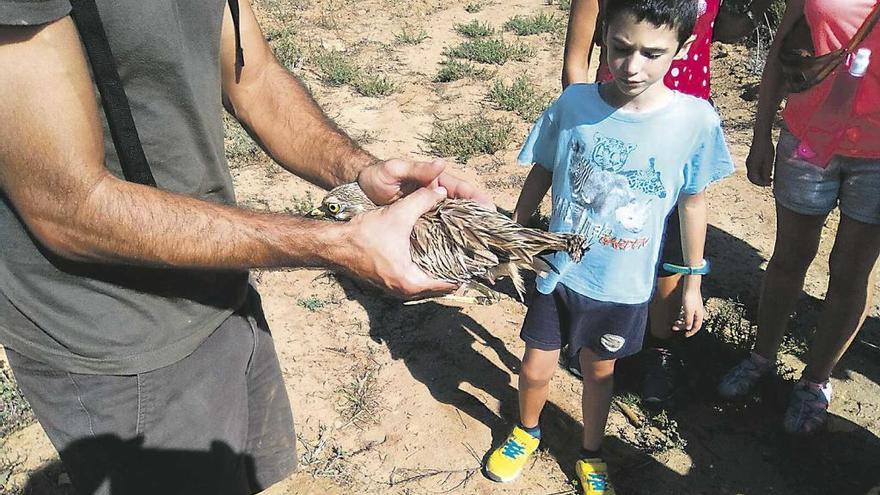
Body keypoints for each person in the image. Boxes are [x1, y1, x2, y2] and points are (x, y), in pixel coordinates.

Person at [0, 1, 490, 494]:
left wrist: (359, 175)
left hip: (222, 285)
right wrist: (335, 243)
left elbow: (253, 77)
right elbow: (66, 205)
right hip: (115, 337)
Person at [482, 0, 734, 492]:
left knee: (599, 375)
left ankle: (591, 451)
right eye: (620, 48)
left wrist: (691, 284)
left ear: (682, 49)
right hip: (557, 272)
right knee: (535, 367)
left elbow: (693, 203)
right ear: (602, 37)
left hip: (620, 286)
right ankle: (526, 431)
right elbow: (544, 168)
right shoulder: (574, 104)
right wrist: (513, 233)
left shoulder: (695, 121)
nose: (633, 66)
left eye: (652, 53)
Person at [561, 0, 772, 408]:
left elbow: (716, 31)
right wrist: (584, 132)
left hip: (678, 133)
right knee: (609, 236)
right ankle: (594, 332)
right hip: (614, 129)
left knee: (670, 244)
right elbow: (576, 62)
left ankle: (658, 348)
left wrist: (756, 9)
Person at [718, 0, 880, 434]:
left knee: (850, 274)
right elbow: (777, 53)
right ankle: (761, 357)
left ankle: (815, 382)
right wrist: (760, 136)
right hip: (807, 142)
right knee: (789, 258)